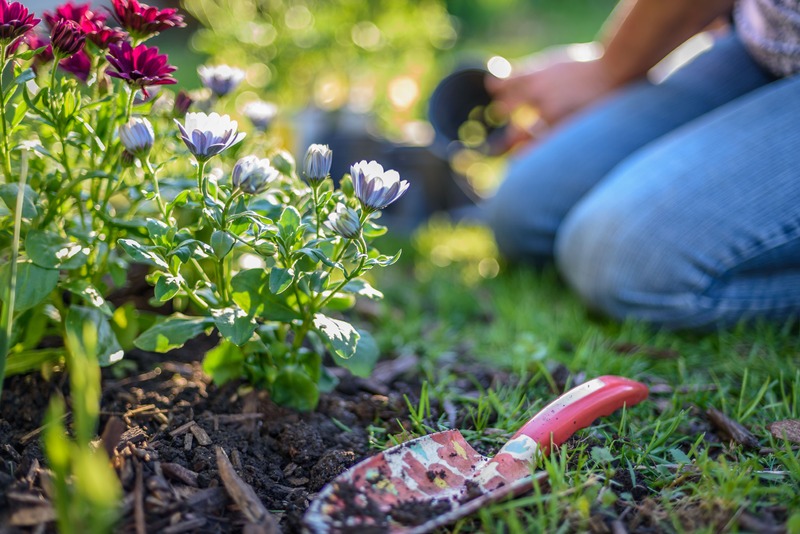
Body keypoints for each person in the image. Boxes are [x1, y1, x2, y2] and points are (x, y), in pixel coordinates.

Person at [481, 0, 800, 330]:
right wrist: (606, 71)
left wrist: (609, 71)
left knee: (625, 262)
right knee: (524, 209)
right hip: (764, 47)